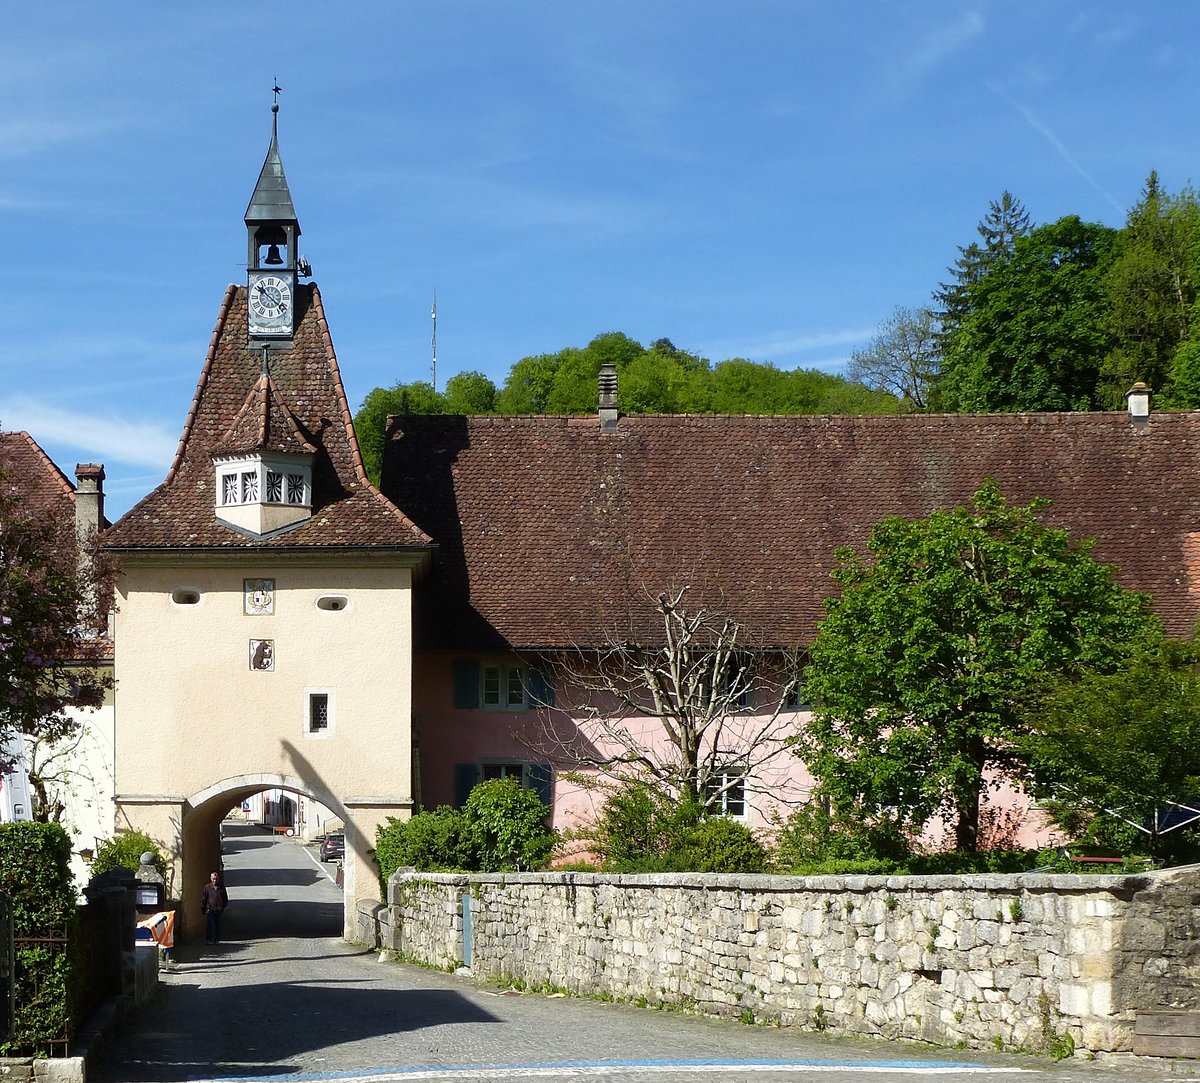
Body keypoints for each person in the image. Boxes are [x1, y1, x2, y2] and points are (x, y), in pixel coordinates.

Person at [201, 870, 229, 944]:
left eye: (216, 879)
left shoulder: (221, 887)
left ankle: (217, 940)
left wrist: (223, 906)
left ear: (218, 879)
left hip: (219, 909)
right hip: (210, 908)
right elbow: (204, 898)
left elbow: (225, 898)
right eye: (213, 879)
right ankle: (209, 940)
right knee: (210, 924)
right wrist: (203, 908)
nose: (214, 880)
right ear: (211, 879)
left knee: (217, 925)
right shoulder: (207, 887)